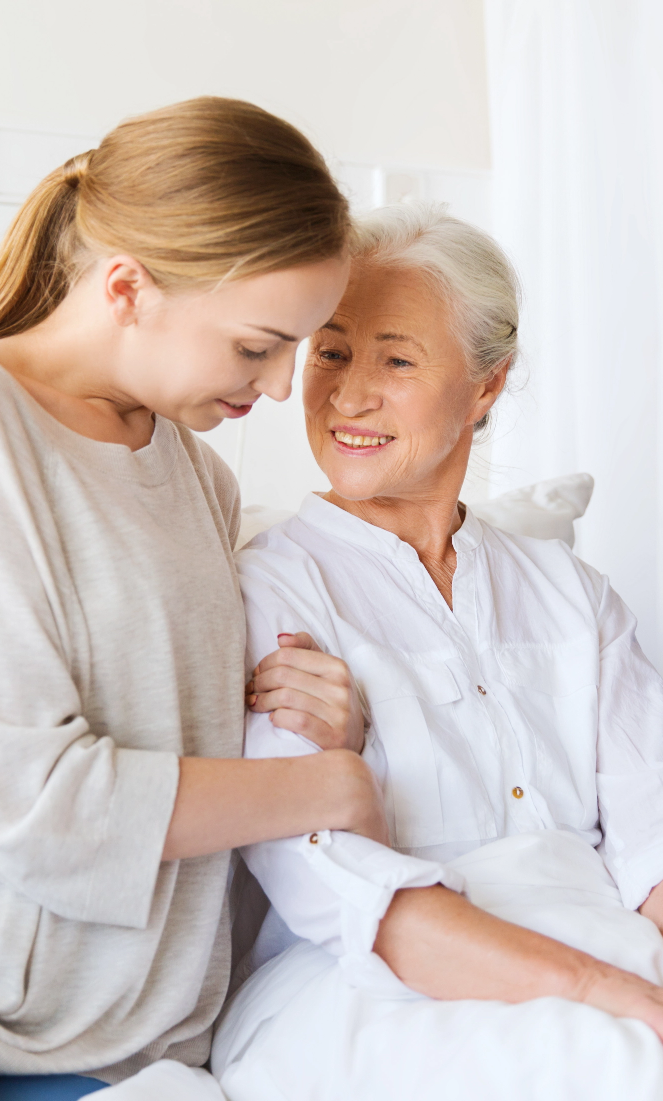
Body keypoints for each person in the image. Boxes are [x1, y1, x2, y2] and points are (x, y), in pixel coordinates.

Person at [207, 203, 663, 1100]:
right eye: (331, 351)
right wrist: (611, 994)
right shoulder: (271, 590)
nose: (348, 395)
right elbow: (341, 891)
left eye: (397, 359)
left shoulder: (573, 595)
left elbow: (652, 845)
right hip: (363, 985)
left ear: (486, 385)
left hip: (601, 947)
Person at [0, 97, 386, 1099]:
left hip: (174, 1048)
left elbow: (203, 733)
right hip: (36, 1052)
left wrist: (318, 713)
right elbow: (41, 808)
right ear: (128, 287)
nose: (281, 386)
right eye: (257, 346)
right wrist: (332, 786)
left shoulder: (195, 472)